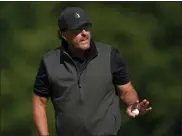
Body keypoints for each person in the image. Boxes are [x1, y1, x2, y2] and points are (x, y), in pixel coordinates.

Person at [32, 7, 152, 136]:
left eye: (86, 27)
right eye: (77, 29)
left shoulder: (110, 55)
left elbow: (126, 90)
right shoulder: (49, 62)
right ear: (63, 34)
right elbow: (39, 102)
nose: (84, 33)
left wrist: (133, 103)